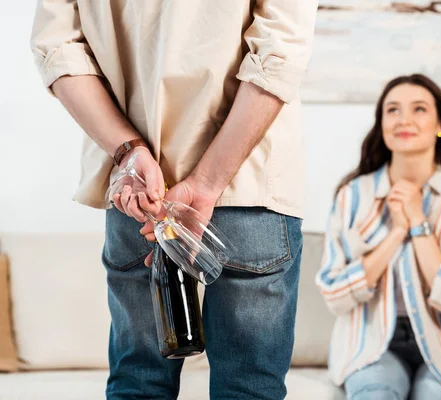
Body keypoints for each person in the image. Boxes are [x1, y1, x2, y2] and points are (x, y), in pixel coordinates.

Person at [30, 1, 318, 399]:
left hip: (141, 194)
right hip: (249, 184)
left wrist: (128, 151)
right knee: (248, 389)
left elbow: (55, 47)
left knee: (139, 384)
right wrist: (207, 181)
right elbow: (279, 53)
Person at [315, 74, 441, 400]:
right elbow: (334, 293)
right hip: (370, 344)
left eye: (419, 109)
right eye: (392, 110)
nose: (404, 119)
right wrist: (397, 231)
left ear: (440, 124)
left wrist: (418, 220)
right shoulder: (352, 196)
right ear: (381, 124)